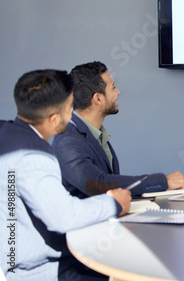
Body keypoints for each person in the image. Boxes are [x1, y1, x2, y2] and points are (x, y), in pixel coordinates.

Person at [0, 69, 131, 280]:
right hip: (44, 271)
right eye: (69, 108)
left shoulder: (7, 134)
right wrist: (113, 203)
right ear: (53, 118)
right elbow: (63, 217)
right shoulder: (33, 156)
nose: (73, 114)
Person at [52, 61, 184, 198]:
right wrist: (163, 182)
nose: (118, 92)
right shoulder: (67, 140)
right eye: (113, 87)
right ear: (98, 99)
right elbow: (96, 185)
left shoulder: (96, 135)